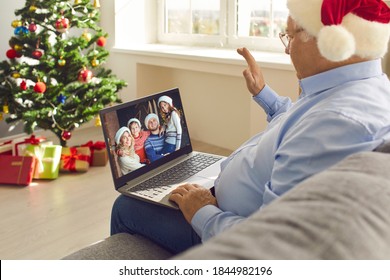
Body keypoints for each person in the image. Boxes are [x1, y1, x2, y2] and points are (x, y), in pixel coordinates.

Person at [111, 0, 390, 254]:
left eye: (290, 36)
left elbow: (271, 242)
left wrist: (203, 213)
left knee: (125, 207)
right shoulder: (355, 89)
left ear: (329, 42)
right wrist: (263, 93)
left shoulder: (336, 124)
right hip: (219, 199)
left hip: (219, 227)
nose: (287, 47)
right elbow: (295, 124)